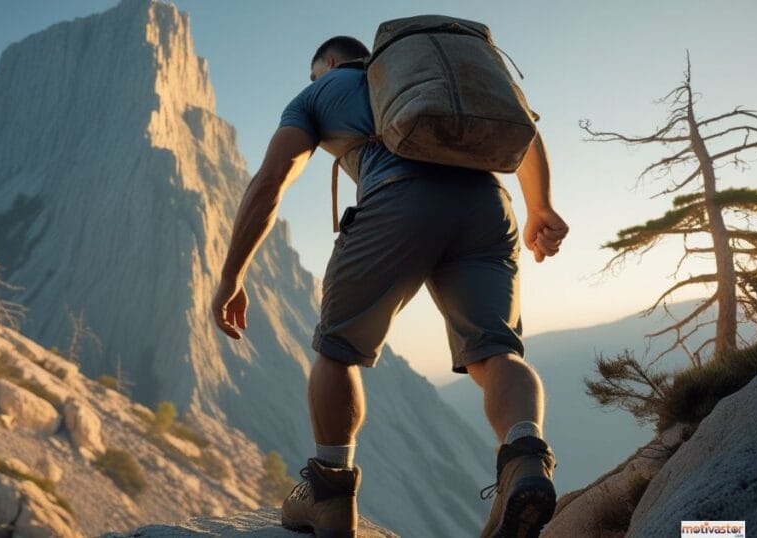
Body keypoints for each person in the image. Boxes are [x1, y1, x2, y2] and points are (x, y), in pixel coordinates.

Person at [211, 35, 568, 538]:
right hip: (487, 203)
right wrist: (541, 206)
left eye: (316, 73)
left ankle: (330, 492)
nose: (317, 81)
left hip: (398, 200)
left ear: (329, 63)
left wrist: (231, 275)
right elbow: (521, 126)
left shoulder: (320, 91)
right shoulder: (440, 78)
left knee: (338, 349)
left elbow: (271, 180)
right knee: (496, 352)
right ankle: (526, 457)